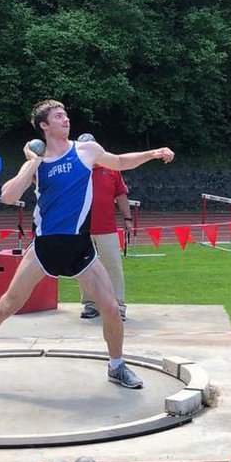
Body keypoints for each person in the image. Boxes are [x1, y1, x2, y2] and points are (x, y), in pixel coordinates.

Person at [0, 99, 174, 391]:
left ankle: (117, 366)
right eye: (58, 117)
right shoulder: (38, 160)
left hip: (80, 249)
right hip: (44, 248)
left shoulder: (87, 151)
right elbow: (7, 196)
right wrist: (32, 163)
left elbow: (120, 162)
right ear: (44, 126)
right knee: (8, 304)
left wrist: (155, 152)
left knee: (110, 307)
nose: (66, 120)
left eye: (66, 115)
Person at [76, 133, 133, 322]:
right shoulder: (75, 169)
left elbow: (121, 195)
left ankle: (118, 305)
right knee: (84, 268)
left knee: (113, 266)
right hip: (81, 228)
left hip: (106, 227)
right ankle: (90, 304)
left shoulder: (111, 168)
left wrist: (128, 217)